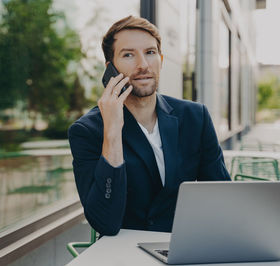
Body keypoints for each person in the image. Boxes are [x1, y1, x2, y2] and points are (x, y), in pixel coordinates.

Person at [68, 16, 230, 236]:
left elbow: (221, 196)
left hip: (186, 244)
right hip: (125, 253)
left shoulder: (195, 117)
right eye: (128, 55)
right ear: (110, 69)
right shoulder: (88, 131)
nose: (143, 65)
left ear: (161, 60)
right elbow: (105, 222)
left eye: (150, 53)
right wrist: (112, 132)